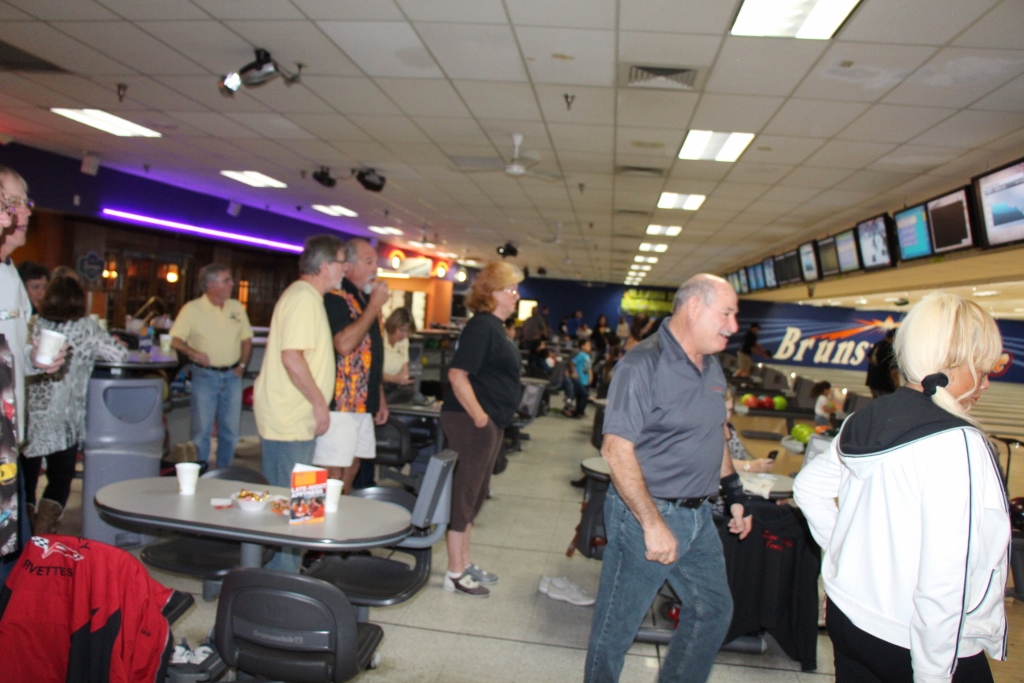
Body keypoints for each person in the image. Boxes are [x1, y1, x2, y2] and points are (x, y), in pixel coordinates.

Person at [793, 292, 1009, 683]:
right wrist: (933, 674)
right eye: (982, 367)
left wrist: (845, 554)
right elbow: (946, 580)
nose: (987, 383)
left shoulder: (869, 415)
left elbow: (808, 488)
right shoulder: (958, 443)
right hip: (913, 641)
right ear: (949, 363)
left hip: (849, 618)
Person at [585, 274, 752, 683]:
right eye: (726, 313)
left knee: (713, 610)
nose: (734, 326)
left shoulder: (712, 366)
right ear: (695, 307)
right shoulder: (643, 363)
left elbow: (715, 433)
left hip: (698, 515)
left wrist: (733, 492)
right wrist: (652, 524)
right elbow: (615, 449)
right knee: (616, 627)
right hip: (646, 512)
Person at [440, 262, 524, 597]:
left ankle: (465, 560)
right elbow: (457, 375)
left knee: (474, 496)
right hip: (472, 423)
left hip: (488, 423)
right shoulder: (483, 327)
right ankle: (455, 572)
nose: (516, 296)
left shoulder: (496, 327)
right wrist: (480, 418)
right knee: (464, 496)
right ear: (490, 293)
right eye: (510, 290)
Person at [21, 277, 128, 534]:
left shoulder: (34, 324)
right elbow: (119, 355)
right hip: (65, 417)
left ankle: (24, 531)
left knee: (27, 480)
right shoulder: (86, 328)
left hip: (30, 415)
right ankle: (43, 532)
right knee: (60, 478)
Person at [0, 167, 65, 584]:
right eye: (15, 202)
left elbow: (14, 351)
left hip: (8, 443)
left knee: (12, 553)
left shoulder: (9, 274)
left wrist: (34, 359)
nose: (25, 212)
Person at [254, 235, 343, 488]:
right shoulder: (304, 299)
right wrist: (319, 404)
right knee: (289, 500)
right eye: (340, 262)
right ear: (324, 265)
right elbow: (291, 357)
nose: (344, 269)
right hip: (290, 418)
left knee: (295, 500)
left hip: (294, 416)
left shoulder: (308, 297)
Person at [313, 238, 390, 491]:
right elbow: (344, 345)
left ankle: (341, 513)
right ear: (348, 266)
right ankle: (322, 519)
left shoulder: (364, 300)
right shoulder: (335, 297)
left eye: (376, 263)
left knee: (354, 463)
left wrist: (379, 396)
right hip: (339, 400)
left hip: (362, 399)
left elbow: (373, 354)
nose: (374, 269)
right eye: (369, 262)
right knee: (333, 466)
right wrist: (374, 308)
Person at [169, 263, 253, 468]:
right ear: (211, 285)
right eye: (226, 280)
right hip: (205, 376)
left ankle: (223, 474)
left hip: (232, 376)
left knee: (230, 433)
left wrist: (242, 365)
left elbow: (247, 339)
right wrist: (194, 353)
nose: (232, 283)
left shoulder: (236, 307)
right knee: (202, 432)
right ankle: (201, 475)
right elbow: (175, 340)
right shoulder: (192, 309)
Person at [723, 391, 774, 473]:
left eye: (729, 410)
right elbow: (712, 462)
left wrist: (759, 464)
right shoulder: (704, 432)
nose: (727, 416)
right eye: (722, 410)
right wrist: (750, 466)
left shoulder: (730, 427)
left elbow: (742, 456)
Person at [382, 307, 416, 404]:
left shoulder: (404, 341)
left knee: (410, 390)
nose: (404, 335)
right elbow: (372, 372)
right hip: (377, 385)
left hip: (393, 385)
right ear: (393, 325)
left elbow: (405, 368)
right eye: (401, 330)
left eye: (408, 331)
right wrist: (394, 379)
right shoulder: (380, 337)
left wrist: (404, 378)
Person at [562, 338, 592, 419]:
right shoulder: (579, 354)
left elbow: (589, 367)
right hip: (580, 379)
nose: (590, 347)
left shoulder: (588, 356)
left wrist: (591, 376)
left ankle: (580, 411)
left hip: (585, 379)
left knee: (582, 397)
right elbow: (572, 363)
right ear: (582, 346)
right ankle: (576, 411)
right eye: (588, 345)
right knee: (579, 395)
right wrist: (573, 372)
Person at [865, 328, 898, 397]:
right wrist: (897, 386)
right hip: (884, 384)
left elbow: (868, 357)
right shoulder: (890, 349)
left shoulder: (878, 344)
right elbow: (893, 369)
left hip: (872, 381)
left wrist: (875, 365)